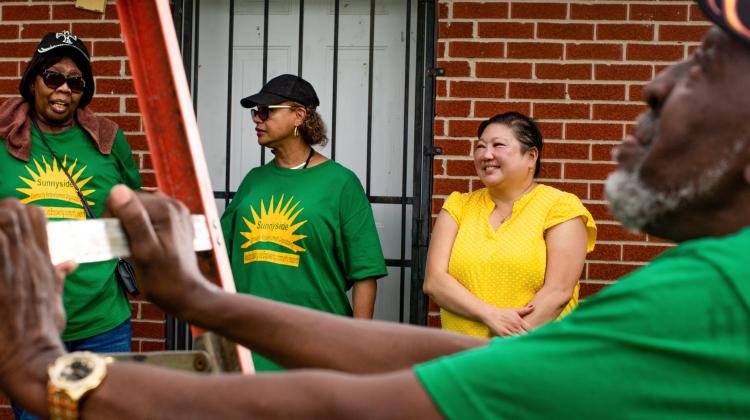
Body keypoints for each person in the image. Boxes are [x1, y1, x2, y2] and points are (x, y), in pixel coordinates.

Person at [0, 1, 749, 417]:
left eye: (708, 56)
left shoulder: (713, 294)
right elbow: (467, 352)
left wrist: (52, 374)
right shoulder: (703, 282)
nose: (661, 81)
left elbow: (353, 399)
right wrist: (203, 301)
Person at [0, 31, 141, 419]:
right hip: (29, 324)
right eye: (53, 77)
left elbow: (133, 207)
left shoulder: (109, 142)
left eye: (75, 82)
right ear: (33, 81)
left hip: (102, 321)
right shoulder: (3, 140)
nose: (64, 89)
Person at [221, 74, 387, 370]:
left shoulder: (341, 183)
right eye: (255, 112)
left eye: (266, 111)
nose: (257, 119)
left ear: (299, 115)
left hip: (317, 345)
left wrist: (359, 346)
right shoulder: (253, 180)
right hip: (250, 342)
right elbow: (219, 251)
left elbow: (365, 272)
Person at [423, 112, 596, 337]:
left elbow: (558, 293)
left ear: (531, 156)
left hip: (532, 355)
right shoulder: (458, 206)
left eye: (498, 145)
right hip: (464, 358)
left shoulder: (560, 207)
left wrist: (504, 348)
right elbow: (434, 282)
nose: (486, 154)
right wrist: (489, 315)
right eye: (480, 146)